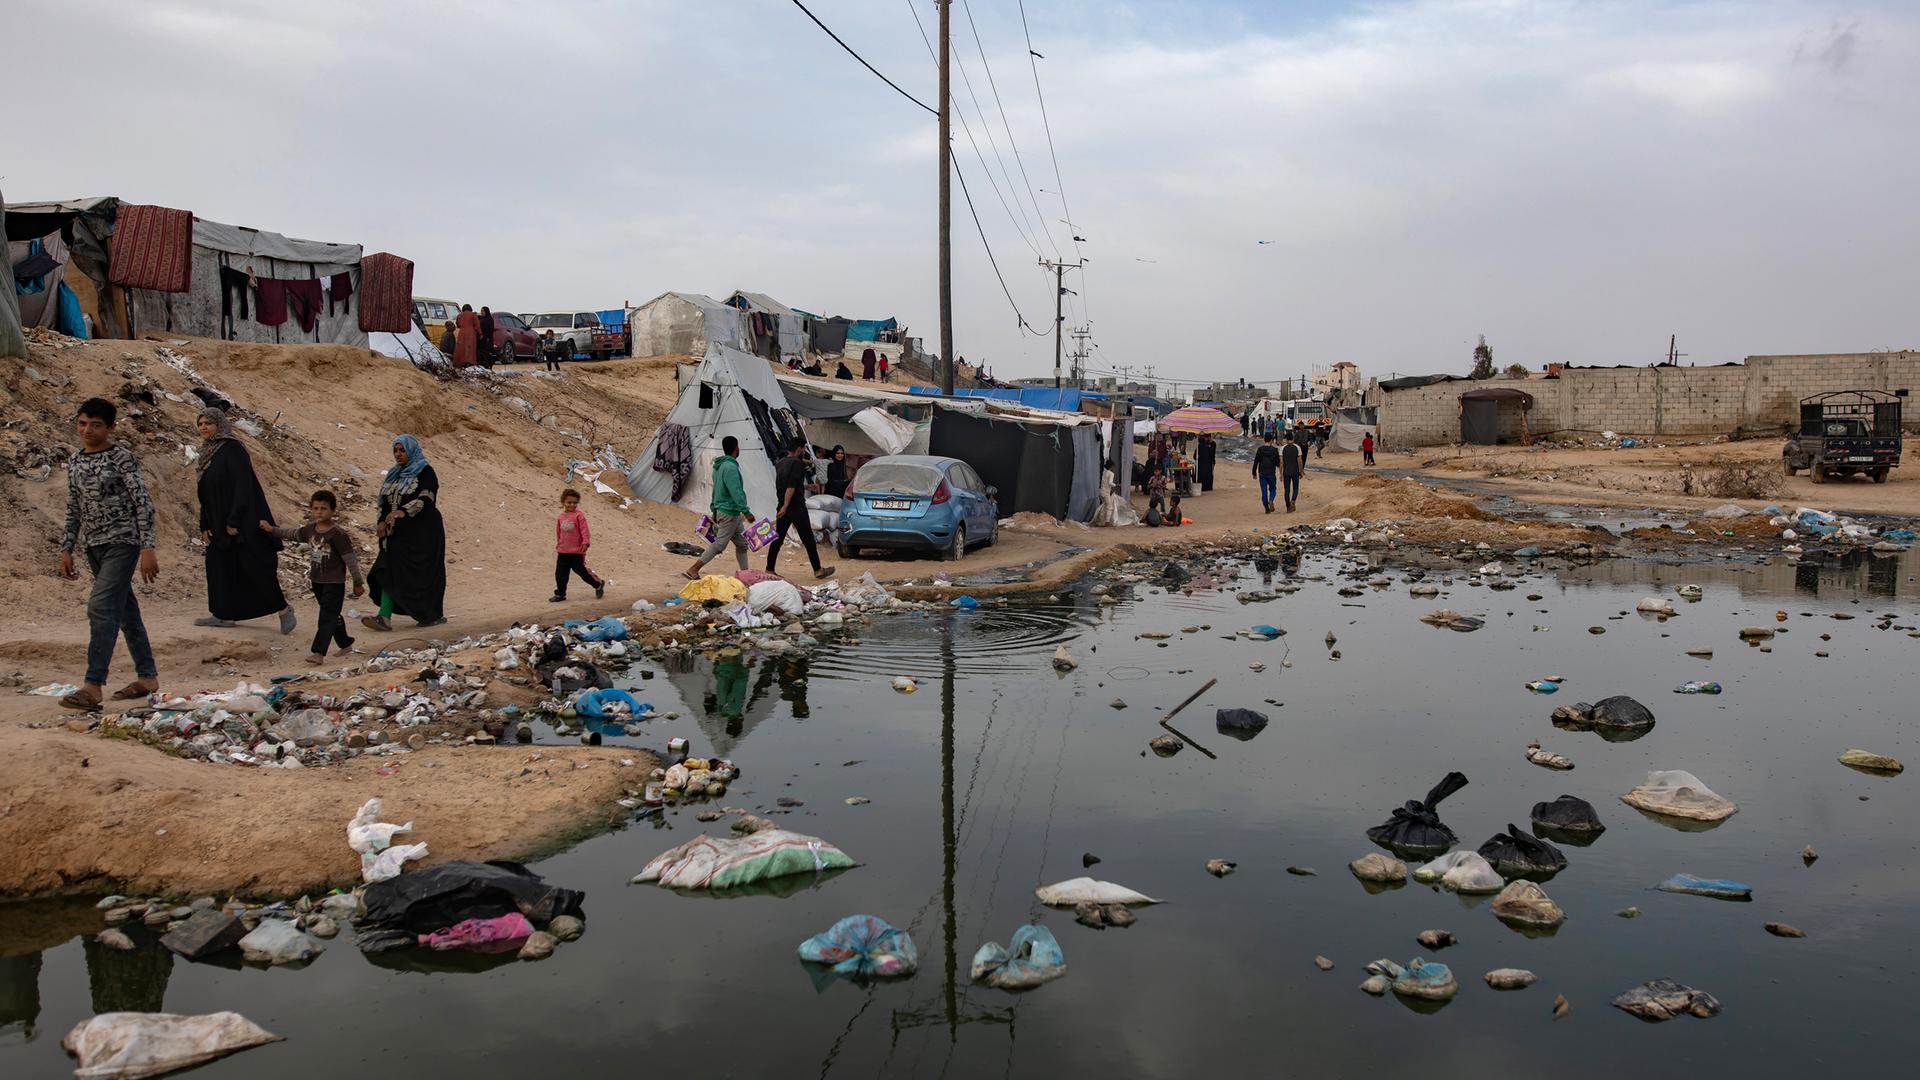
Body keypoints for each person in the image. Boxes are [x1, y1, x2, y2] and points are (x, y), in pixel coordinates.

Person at [57, 398, 160, 711]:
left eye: (96, 425)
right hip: (94, 546)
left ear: (111, 427)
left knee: (101, 608)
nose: (88, 430)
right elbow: (74, 507)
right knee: (126, 612)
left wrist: (147, 547)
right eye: (83, 423)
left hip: (123, 542)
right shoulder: (75, 461)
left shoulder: (121, 459)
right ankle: (147, 678)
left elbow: (143, 503)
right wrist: (67, 547)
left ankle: (93, 685)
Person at [193, 408, 294, 634]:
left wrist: (233, 519)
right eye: (200, 424)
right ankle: (224, 614)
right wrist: (204, 524)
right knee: (220, 567)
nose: (203, 427)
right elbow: (205, 494)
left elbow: (243, 486)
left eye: (208, 423)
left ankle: (284, 609)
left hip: (242, 520)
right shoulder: (207, 452)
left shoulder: (233, 448)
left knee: (254, 566)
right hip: (217, 520)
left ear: (219, 424)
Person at [259, 490, 363, 665]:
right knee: (332, 614)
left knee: (326, 617)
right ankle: (345, 643)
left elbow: (350, 559)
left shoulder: (337, 534)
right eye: (316, 508)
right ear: (311, 509)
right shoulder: (310, 530)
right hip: (317, 581)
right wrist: (272, 530)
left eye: (324, 508)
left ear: (333, 510)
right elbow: (292, 534)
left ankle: (319, 652)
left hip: (334, 583)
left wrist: (358, 582)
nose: (319, 512)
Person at [362, 435, 447, 631]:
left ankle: (430, 614)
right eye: (395, 450)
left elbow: (427, 496)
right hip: (396, 535)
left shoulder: (425, 471)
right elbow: (383, 502)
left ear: (411, 451)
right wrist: (381, 522)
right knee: (387, 569)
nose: (398, 454)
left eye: (402, 450)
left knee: (423, 574)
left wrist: (404, 511)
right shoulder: (394, 475)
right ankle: (384, 617)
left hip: (423, 534)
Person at [684, 435, 754, 578]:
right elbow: (736, 491)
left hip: (727, 511)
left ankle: (745, 573)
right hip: (730, 512)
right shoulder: (730, 467)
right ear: (736, 449)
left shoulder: (720, 466)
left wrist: (714, 508)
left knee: (742, 544)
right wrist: (746, 511)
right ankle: (694, 569)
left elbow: (716, 489)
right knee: (720, 544)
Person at [766, 438, 836, 580]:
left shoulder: (780, 463)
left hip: (782, 505)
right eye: (803, 448)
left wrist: (805, 487)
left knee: (778, 539)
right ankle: (818, 570)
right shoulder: (797, 463)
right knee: (808, 538)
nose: (804, 451)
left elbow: (788, 486)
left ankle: (769, 569)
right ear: (799, 449)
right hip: (795, 506)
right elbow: (791, 487)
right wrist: (786, 506)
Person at [551, 487, 605, 602]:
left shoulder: (579, 516)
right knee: (560, 573)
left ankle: (598, 584)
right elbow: (559, 532)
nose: (572, 505)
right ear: (563, 502)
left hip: (577, 551)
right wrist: (559, 544)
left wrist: (585, 542)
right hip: (563, 551)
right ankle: (560, 594)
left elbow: (584, 530)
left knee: (582, 572)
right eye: (569, 502)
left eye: (575, 503)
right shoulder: (561, 517)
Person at [1253, 432, 1279, 513]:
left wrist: (1254, 472)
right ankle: (1271, 500)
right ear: (1271, 440)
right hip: (1271, 471)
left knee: (1264, 491)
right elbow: (1277, 462)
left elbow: (1256, 461)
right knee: (1273, 489)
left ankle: (1267, 509)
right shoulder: (1274, 450)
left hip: (1262, 472)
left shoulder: (1260, 449)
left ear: (1264, 440)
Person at [1281, 430, 1306, 512]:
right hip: (1295, 471)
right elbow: (1300, 461)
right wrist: (1301, 471)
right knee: (1295, 488)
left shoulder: (1283, 448)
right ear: (1293, 438)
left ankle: (1288, 507)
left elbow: (1281, 462)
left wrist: (1281, 473)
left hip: (1286, 472)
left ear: (1286, 439)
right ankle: (1293, 500)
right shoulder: (1297, 447)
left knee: (1287, 490)